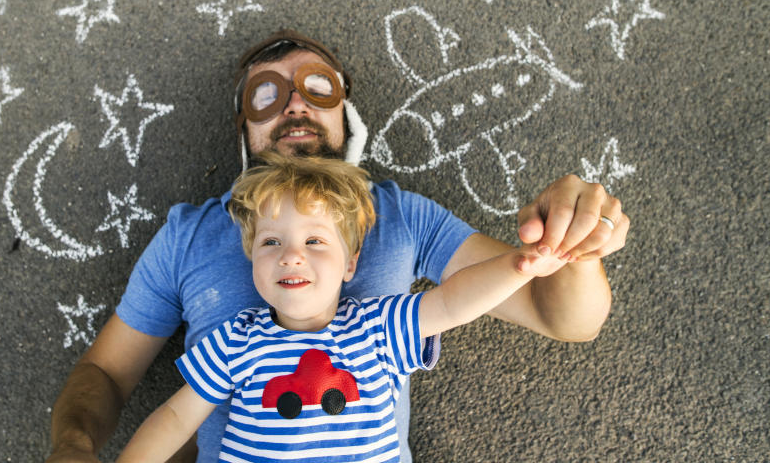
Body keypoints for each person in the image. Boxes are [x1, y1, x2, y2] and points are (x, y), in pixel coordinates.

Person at [46, 30, 628, 463]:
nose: (294, 104)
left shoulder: (401, 218)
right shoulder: (191, 236)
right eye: (266, 95)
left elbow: (559, 319)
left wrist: (565, 248)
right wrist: (73, 449)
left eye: (316, 87)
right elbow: (118, 377)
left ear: (346, 113)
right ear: (242, 128)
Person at [116, 153, 572, 462]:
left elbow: (452, 302)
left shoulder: (377, 327)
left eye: (314, 241)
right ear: (252, 260)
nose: (291, 255)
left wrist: (520, 266)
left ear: (351, 262)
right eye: (271, 242)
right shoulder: (236, 340)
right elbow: (176, 418)